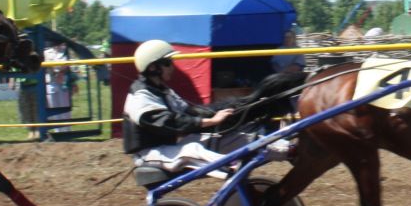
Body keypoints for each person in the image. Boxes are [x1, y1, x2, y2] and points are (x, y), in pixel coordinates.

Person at [122, 39, 291, 175]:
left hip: (169, 149)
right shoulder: (140, 96)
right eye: (168, 63)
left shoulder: (163, 90)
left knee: (225, 137)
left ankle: (286, 149)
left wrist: (220, 115)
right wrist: (209, 121)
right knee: (192, 149)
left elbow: (190, 110)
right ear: (153, 67)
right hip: (149, 155)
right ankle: (232, 168)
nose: (172, 66)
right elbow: (170, 123)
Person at [40, 40, 74, 137]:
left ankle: (67, 131)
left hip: (63, 82)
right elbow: (46, 64)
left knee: (65, 107)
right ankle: (57, 132)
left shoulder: (65, 50)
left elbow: (68, 64)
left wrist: (61, 71)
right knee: (54, 107)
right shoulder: (46, 52)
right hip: (51, 82)